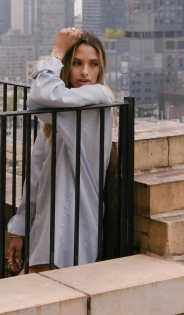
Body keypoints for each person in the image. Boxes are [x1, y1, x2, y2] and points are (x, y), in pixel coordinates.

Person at [7, 27, 114, 273]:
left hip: (73, 230)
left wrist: (57, 52)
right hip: (44, 229)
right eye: (77, 63)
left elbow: (38, 98)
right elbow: (35, 174)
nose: (86, 71)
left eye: (94, 64)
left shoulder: (99, 97)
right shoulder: (55, 118)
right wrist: (19, 230)